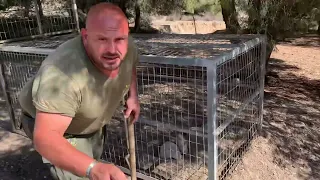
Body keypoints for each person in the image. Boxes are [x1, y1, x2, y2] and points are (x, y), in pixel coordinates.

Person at [18, 2, 140, 180]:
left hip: (89, 121)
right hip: (60, 130)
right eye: (102, 39)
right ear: (85, 36)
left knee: (93, 164)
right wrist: (92, 168)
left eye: (119, 39)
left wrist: (133, 96)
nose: (113, 50)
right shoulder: (61, 75)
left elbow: (131, 65)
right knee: (85, 172)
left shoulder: (128, 47)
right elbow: (46, 137)